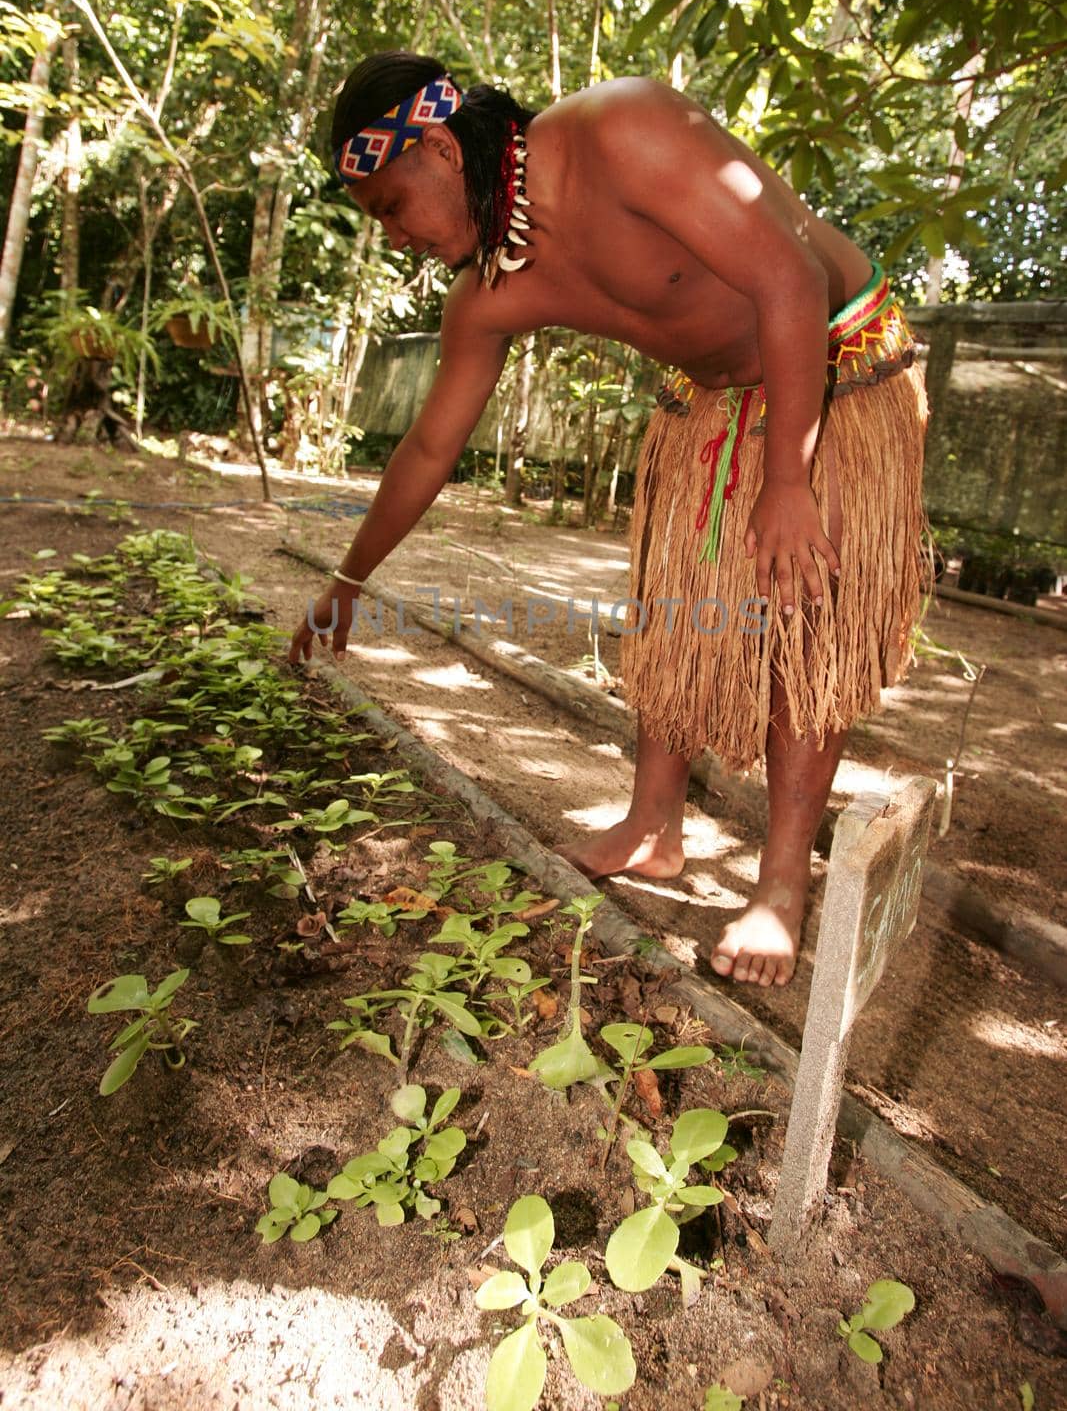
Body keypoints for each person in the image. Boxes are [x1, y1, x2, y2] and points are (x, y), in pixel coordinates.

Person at [288, 51, 929, 990]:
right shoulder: (487, 294)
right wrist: (347, 583)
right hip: (708, 399)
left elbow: (788, 278)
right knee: (671, 622)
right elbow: (426, 451)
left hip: (838, 359)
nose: (394, 238)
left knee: (799, 619)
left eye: (389, 206)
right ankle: (652, 828)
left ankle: (781, 885)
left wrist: (788, 481)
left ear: (435, 147)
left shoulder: (619, 131)